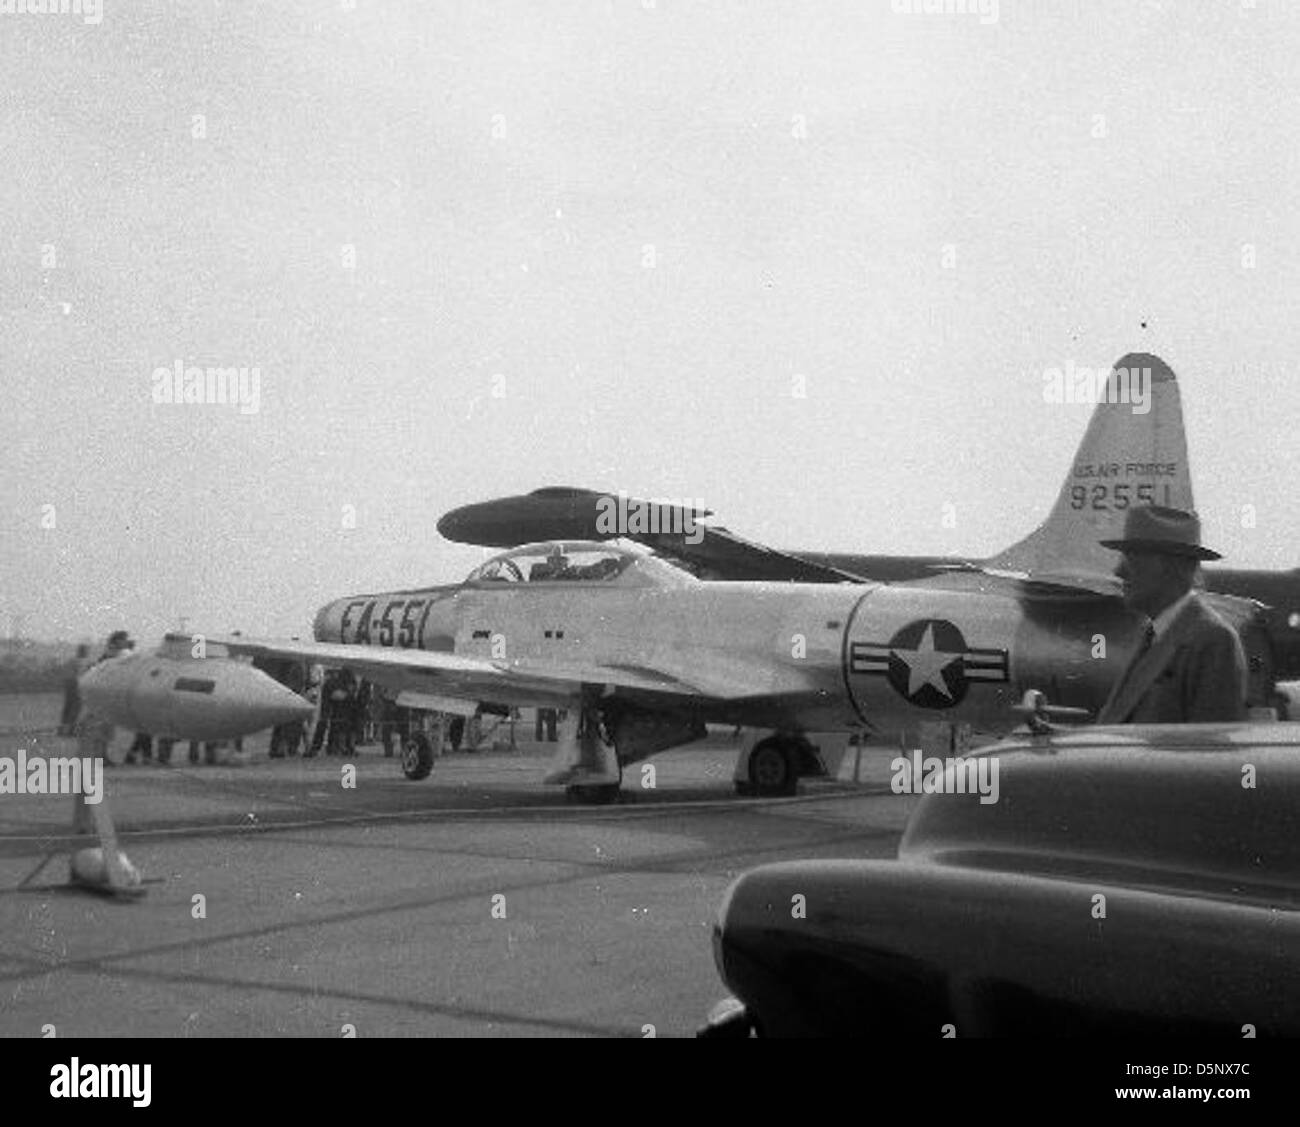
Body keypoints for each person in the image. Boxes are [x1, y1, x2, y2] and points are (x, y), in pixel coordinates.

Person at [1095, 507, 1247, 724]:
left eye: (1131, 558)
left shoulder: (1213, 641)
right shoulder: (1153, 635)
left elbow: (1213, 750)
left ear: (1171, 566)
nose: (1118, 571)